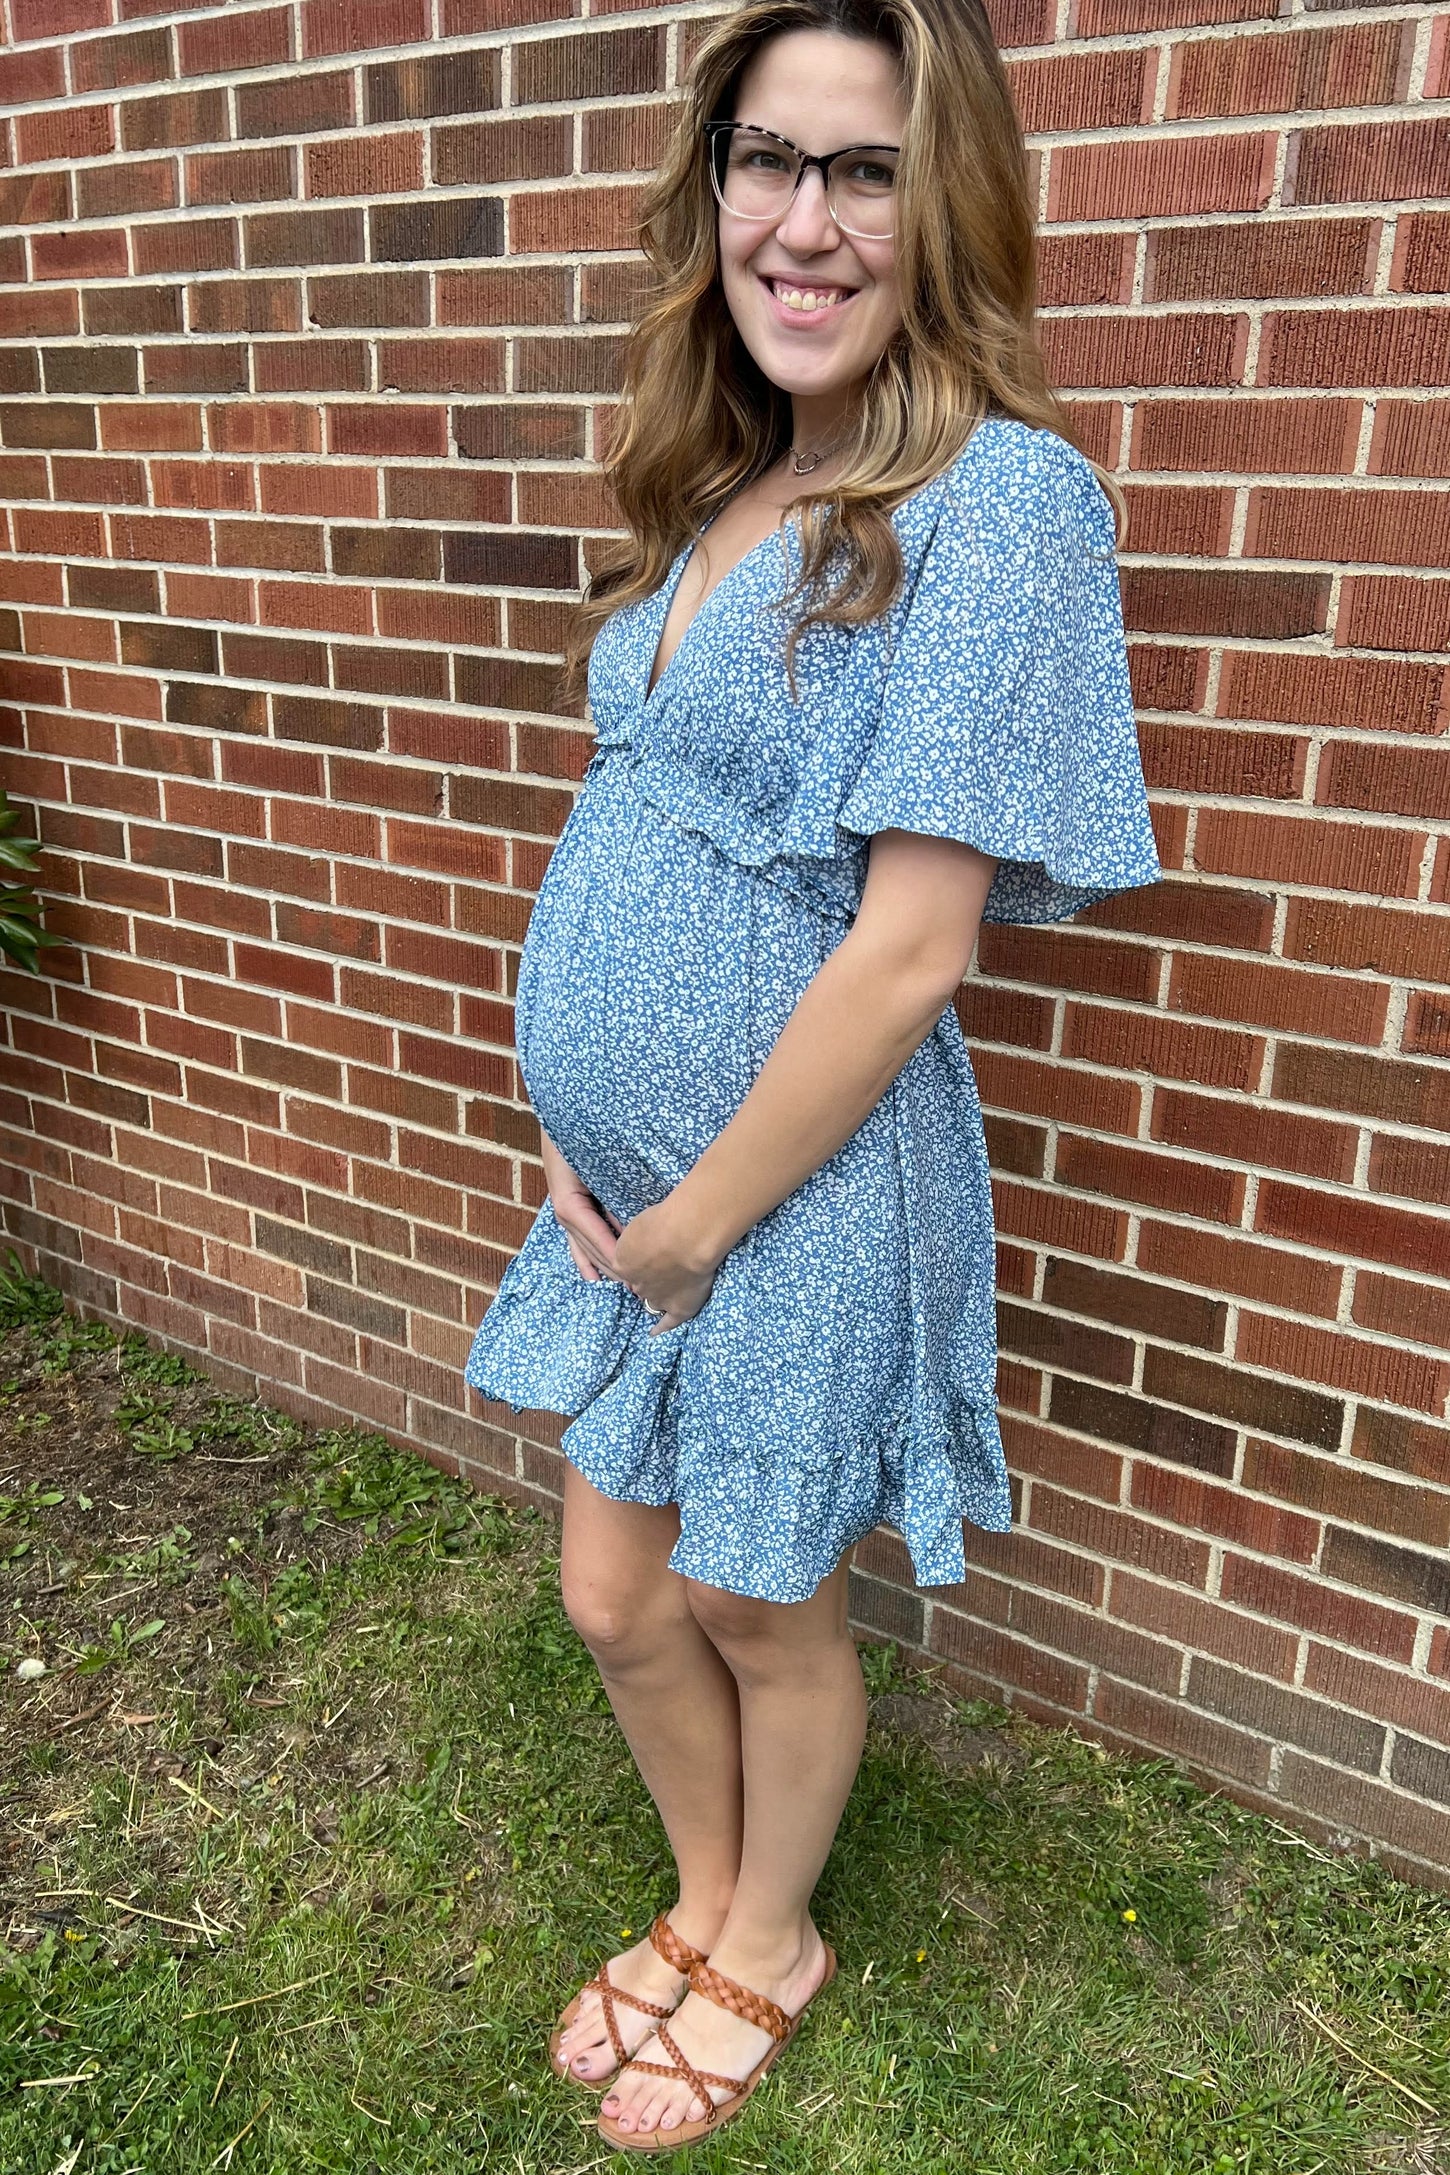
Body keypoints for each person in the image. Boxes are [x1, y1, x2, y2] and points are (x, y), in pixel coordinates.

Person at [464, 0, 1160, 2151]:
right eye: (767, 159)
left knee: (757, 1588)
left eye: (859, 171)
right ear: (714, 187)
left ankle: (768, 1938)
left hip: (785, 1182)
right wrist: (598, 1125)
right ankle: (694, 1897)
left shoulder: (996, 498)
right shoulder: (740, 476)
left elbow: (912, 945)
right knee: (608, 1590)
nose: (801, 218)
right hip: (622, 1185)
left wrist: (685, 1217)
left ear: (937, 207)